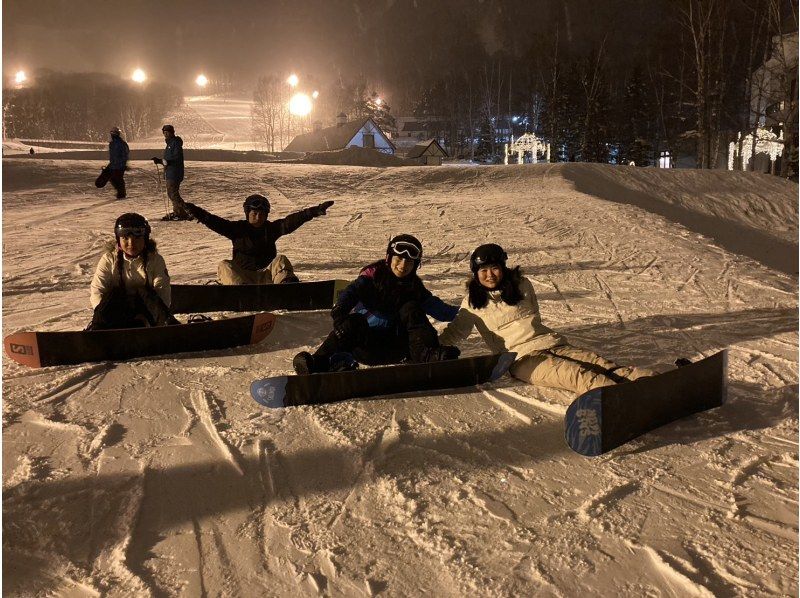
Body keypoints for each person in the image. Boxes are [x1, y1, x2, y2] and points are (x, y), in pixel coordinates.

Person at [439, 243, 656, 395]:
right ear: (475, 273)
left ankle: (652, 383)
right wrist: (429, 349)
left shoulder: (522, 285)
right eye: (483, 270)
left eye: (494, 268)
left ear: (503, 268)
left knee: (601, 364)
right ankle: (620, 397)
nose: (490, 275)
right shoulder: (472, 302)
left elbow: (535, 315)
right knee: (576, 375)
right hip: (519, 359)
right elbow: (456, 332)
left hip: (551, 342)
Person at [293, 234, 461, 374]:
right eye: (399, 258)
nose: (403, 266)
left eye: (409, 262)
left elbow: (442, 311)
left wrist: (475, 308)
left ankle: (426, 356)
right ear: (389, 257)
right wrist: (339, 317)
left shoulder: (415, 288)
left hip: (399, 348)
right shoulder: (371, 278)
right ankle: (318, 362)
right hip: (366, 347)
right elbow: (348, 295)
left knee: (411, 308)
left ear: (416, 266)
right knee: (353, 321)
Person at [179, 193, 334, 285]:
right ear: (248, 214)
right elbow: (213, 221)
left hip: (266, 277)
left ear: (266, 215)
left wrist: (314, 211)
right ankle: (241, 293)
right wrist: (194, 211)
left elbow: (291, 221)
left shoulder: (271, 229)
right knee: (224, 265)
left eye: (261, 214)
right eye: (254, 214)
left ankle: (287, 290)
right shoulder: (237, 229)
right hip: (243, 279)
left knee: (281, 259)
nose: (258, 217)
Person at [88, 213, 178, 330]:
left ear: (145, 238)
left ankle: (170, 329)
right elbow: (98, 290)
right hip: (117, 312)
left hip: (147, 313)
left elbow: (162, 291)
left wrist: (156, 317)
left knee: (145, 292)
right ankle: (96, 333)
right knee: (113, 295)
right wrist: (107, 317)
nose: (131, 243)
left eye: (137, 238)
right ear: (118, 239)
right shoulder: (109, 259)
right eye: (125, 238)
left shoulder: (155, 259)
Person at [151, 124, 191, 221]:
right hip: (170, 172)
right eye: (164, 133)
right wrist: (160, 161)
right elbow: (167, 160)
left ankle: (186, 211)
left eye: (167, 132)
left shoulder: (175, 143)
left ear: (172, 132)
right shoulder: (170, 144)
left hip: (175, 172)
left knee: (173, 193)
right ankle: (179, 212)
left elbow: (176, 157)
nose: (165, 134)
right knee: (171, 193)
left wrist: (166, 162)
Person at [108, 126, 129, 199]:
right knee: (112, 178)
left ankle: (121, 193)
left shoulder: (121, 143)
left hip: (120, 165)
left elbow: (125, 153)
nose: (112, 134)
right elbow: (112, 155)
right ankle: (120, 192)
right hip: (113, 164)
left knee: (119, 178)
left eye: (113, 133)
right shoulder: (112, 144)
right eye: (111, 133)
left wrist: (123, 163)